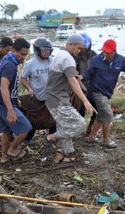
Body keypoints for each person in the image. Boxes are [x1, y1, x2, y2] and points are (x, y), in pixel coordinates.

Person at [45, 34, 95, 163]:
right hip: (58, 100)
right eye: (78, 48)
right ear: (71, 45)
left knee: (64, 125)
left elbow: (71, 78)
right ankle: (52, 136)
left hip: (54, 98)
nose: (79, 51)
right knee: (79, 124)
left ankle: (65, 153)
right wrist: (85, 100)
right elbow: (72, 80)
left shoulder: (61, 55)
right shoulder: (67, 58)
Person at [0, 38, 32, 163]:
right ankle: (13, 149)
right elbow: (3, 87)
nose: (24, 57)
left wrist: (15, 99)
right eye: (22, 54)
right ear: (14, 50)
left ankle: (4, 157)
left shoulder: (8, 59)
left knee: (6, 130)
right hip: (4, 104)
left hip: (1, 102)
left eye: (26, 54)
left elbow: (9, 86)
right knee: (25, 128)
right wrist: (10, 109)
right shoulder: (10, 65)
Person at [20, 37, 56, 143]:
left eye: (48, 50)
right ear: (37, 50)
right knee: (35, 119)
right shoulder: (30, 64)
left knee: (53, 118)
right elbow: (23, 78)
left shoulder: (53, 61)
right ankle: (27, 139)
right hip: (37, 96)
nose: (46, 52)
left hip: (51, 96)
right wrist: (29, 88)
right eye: (44, 50)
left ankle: (52, 138)